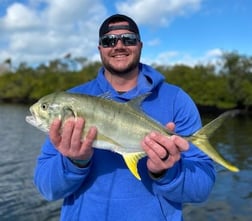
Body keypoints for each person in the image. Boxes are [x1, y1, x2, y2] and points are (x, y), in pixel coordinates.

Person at [34, 14, 215, 221]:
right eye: (109, 41)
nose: (119, 45)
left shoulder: (177, 101)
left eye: (128, 39)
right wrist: (74, 162)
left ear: (140, 45)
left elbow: (202, 188)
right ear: (100, 48)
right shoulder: (73, 100)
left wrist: (166, 172)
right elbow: (47, 189)